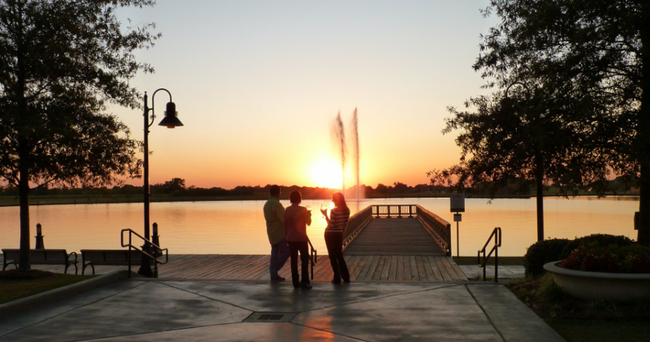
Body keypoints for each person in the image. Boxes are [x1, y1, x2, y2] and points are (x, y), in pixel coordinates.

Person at [284, 190, 312, 289]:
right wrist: (309, 215)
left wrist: (286, 237)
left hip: (291, 239)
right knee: (304, 260)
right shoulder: (303, 210)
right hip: (301, 238)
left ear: (290, 199)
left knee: (293, 261)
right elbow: (308, 223)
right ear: (300, 199)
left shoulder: (287, 210)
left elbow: (285, 225)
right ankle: (304, 281)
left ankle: (295, 282)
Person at [321, 192, 351, 284]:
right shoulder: (347, 210)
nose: (332, 200)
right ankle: (346, 276)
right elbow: (344, 224)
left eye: (333, 199)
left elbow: (331, 224)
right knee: (339, 254)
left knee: (332, 256)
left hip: (330, 234)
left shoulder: (334, 211)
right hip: (339, 234)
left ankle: (337, 277)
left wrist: (325, 215)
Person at [263, 185, 289, 281]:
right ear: (279, 192)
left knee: (274, 252)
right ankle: (274, 269)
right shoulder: (277, 204)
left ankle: (273, 274)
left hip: (270, 231)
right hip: (279, 232)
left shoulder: (266, 204)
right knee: (286, 251)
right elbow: (283, 219)